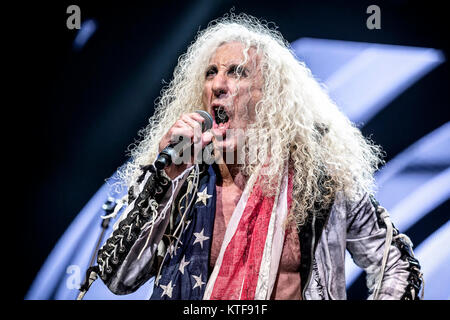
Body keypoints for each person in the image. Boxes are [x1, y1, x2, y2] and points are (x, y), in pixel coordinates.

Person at [94, 13, 423, 300]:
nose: (218, 84)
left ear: (271, 96)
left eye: (237, 72)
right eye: (210, 73)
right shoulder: (183, 179)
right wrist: (164, 179)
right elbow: (120, 278)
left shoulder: (322, 183)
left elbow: (398, 265)